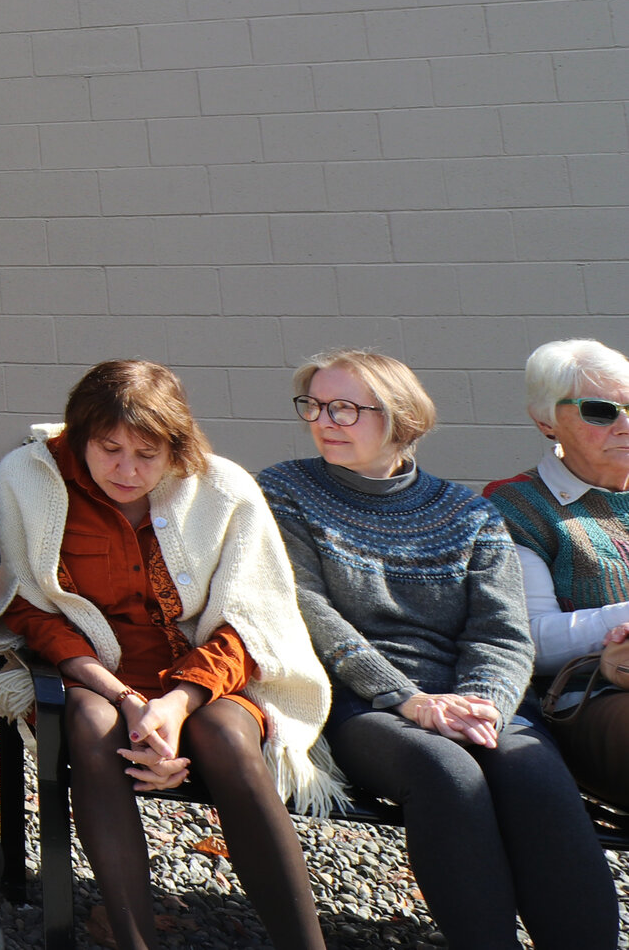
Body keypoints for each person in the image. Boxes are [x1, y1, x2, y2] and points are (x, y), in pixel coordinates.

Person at [259, 349, 615, 950]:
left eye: (345, 408)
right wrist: (408, 699)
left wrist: (486, 705)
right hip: (360, 701)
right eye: (315, 406)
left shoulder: (467, 513)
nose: (324, 420)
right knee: (446, 771)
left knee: (531, 771)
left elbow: (502, 632)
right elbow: (307, 611)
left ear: (400, 417)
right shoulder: (286, 490)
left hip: (471, 695)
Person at [0, 361, 331, 950]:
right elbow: (29, 609)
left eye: (148, 453)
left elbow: (253, 619)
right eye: (109, 448)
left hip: (204, 674)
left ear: (177, 448)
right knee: (91, 722)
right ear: (77, 435)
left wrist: (177, 703)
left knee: (225, 736)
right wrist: (124, 697)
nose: (127, 469)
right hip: (98, 675)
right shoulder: (30, 477)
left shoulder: (222, 487)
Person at [487, 338, 629, 806]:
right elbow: (531, 641)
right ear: (546, 422)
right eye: (601, 411)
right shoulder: (517, 506)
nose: (625, 425)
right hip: (589, 699)